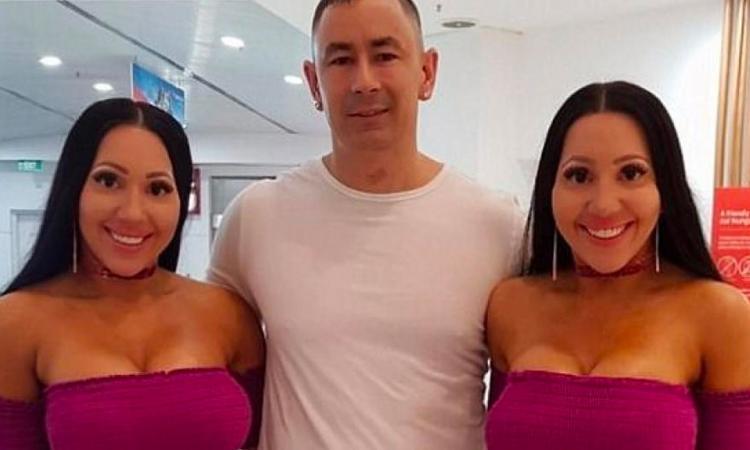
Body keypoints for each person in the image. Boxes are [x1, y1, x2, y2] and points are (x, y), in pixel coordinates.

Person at [207, 0, 523, 448]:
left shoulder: (499, 226)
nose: (364, 81)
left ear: (427, 72)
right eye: (340, 60)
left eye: (385, 55)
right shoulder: (256, 217)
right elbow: (211, 372)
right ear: (313, 82)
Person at [485, 81, 750, 450]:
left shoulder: (719, 313)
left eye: (631, 173)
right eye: (579, 176)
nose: (604, 204)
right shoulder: (510, 305)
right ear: (550, 190)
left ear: (666, 189)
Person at [0, 98, 264, 450]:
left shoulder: (227, 314)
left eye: (157, 188)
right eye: (109, 181)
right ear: (73, 187)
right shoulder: (17, 323)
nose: (133, 213)